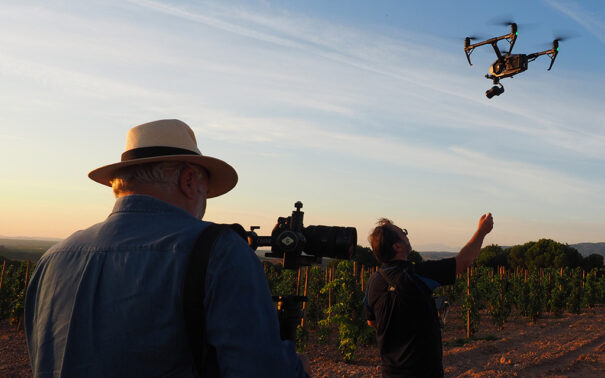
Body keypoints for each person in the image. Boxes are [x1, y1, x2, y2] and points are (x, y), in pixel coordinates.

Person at [25, 119, 310, 377]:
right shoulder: (219, 252)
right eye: (206, 190)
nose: (204, 201)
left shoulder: (53, 259)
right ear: (189, 181)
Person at [364, 214, 494, 377]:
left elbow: (371, 321)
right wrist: (482, 231)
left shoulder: (373, 282)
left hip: (391, 372)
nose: (406, 235)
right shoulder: (417, 274)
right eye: (403, 233)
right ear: (397, 246)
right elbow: (463, 261)